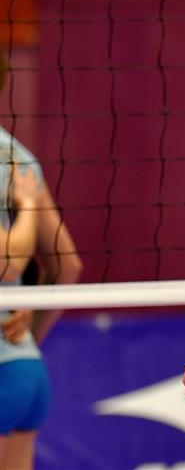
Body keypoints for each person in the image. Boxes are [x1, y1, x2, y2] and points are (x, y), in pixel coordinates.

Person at [0, 49, 83, 470]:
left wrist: (27, 208)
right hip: (24, 368)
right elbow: (68, 265)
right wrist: (28, 332)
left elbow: (8, 264)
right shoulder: (18, 156)